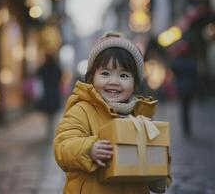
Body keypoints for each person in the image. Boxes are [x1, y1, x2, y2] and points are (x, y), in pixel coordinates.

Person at [53, 32, 170, 193]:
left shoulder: (141, 116)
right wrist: (89, 149)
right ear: (91, 77)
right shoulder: (82, 110)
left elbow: (153, 163)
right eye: (105, 73)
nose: (114, 82)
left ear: (135, 83)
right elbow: (63, 147)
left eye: (123, 75)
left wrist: (159, 165)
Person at [36, 53, 62, 142]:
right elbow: (60, 78)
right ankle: (50, 131)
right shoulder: (57, 68)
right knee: (52, 115)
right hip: (54, 94)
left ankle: (49, 131)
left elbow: (37, 75)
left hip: (46, 95)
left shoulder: (43, 68)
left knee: (48, 115)